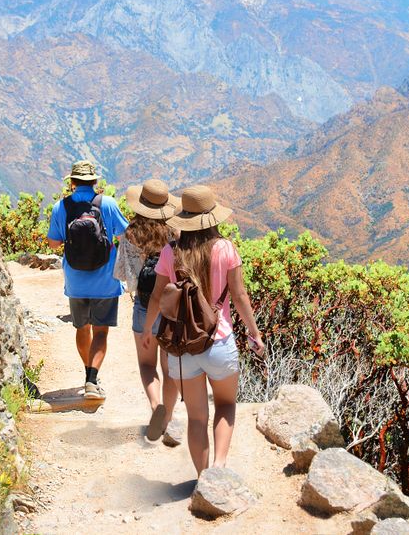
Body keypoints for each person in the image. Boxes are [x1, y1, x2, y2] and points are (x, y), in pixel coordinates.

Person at [142, 185, 265, 476]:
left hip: (183, 348)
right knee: (225, 406)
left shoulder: (171, 253)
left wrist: (149, 330)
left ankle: (201, 478)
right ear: (212, 218)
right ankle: (218, 469)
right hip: (219, 342)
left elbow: (158, 296)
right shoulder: (225, 249)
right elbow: (239, 296)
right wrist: (254, 333)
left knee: (196, 418)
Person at [46, 160, 128, 400]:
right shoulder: (109, 204)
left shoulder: (60, 207)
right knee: (101, 332)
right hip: (105, 280)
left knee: (82, 328)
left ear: (71, 183)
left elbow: (53, 242)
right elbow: (125, 235)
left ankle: (89, 374)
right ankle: (92, 380)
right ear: (95, 181)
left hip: (76, 280)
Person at [114, 179, 181, 442]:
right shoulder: (174, 235)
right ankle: (169, 419)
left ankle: (156, 407)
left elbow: (121, 275)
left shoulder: (130, 234)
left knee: (146, 364)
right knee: (170, 367)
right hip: (171, 308)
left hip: (143, 305)